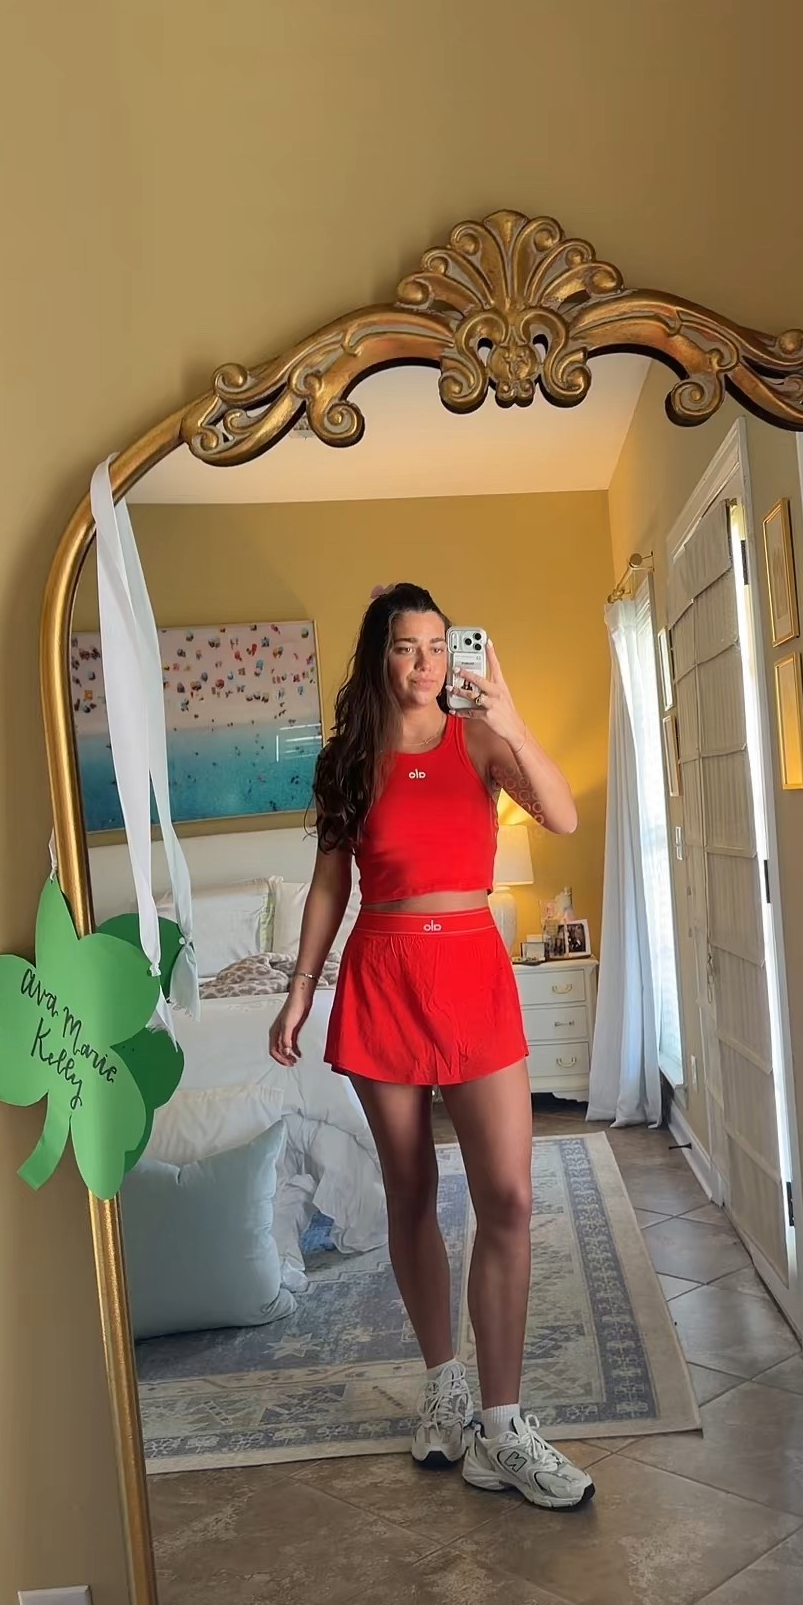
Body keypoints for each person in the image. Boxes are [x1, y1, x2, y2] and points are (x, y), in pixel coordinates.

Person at [269, 583, 594, 1510]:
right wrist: (301, 987)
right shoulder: (345, 762)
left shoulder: (481, 738)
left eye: (439, 646)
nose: (425, 664)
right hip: (382, 976)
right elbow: (330, 884)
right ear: (381, 655)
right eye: (407, 647)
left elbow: (564, 816)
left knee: (509, 1198)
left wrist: (510, 711)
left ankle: (503, 1428)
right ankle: (445, 1385)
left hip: (471, 973)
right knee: (410, 1193)